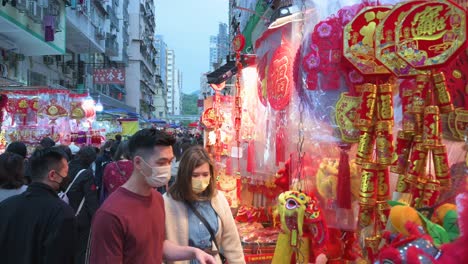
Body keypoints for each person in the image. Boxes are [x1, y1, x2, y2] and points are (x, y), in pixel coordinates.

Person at [88, 128, 216, 264]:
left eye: (170, 162)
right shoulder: (111, 214)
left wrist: (194, 252)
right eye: (161, 163)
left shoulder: (157, 199)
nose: (167, 168)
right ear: (138, 163)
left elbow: (157, 246)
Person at [164, 145, 245, 264]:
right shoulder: (168, 202)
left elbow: (232, 242)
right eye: (195, 175)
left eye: (205, 174)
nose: (201, 180)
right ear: (184, 175)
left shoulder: (218, 199)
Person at [0, 147, 77, 263]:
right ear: (52, 175)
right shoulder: (63, 213)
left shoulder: (6, 206)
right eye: (65, 173)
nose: (67, 177)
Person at [66, 146, 99, 264]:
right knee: (81, 250)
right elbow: (91, 198)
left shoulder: (67, 166)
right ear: (91, 160)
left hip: (64, 213)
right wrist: (96, 218)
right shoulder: (86, 173)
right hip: (81, 217)